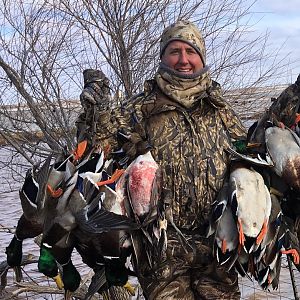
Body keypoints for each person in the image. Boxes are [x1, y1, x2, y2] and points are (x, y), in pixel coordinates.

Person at [77, 20, 246, 299]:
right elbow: (95, 149)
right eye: (174, 51)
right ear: (163, 57)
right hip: (160, 247)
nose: (183, 60)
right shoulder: (140, 107)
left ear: (201, 57)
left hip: (217, 243)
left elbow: (248, 157)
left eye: (190, 52)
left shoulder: (219, 109)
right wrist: (95, 111)